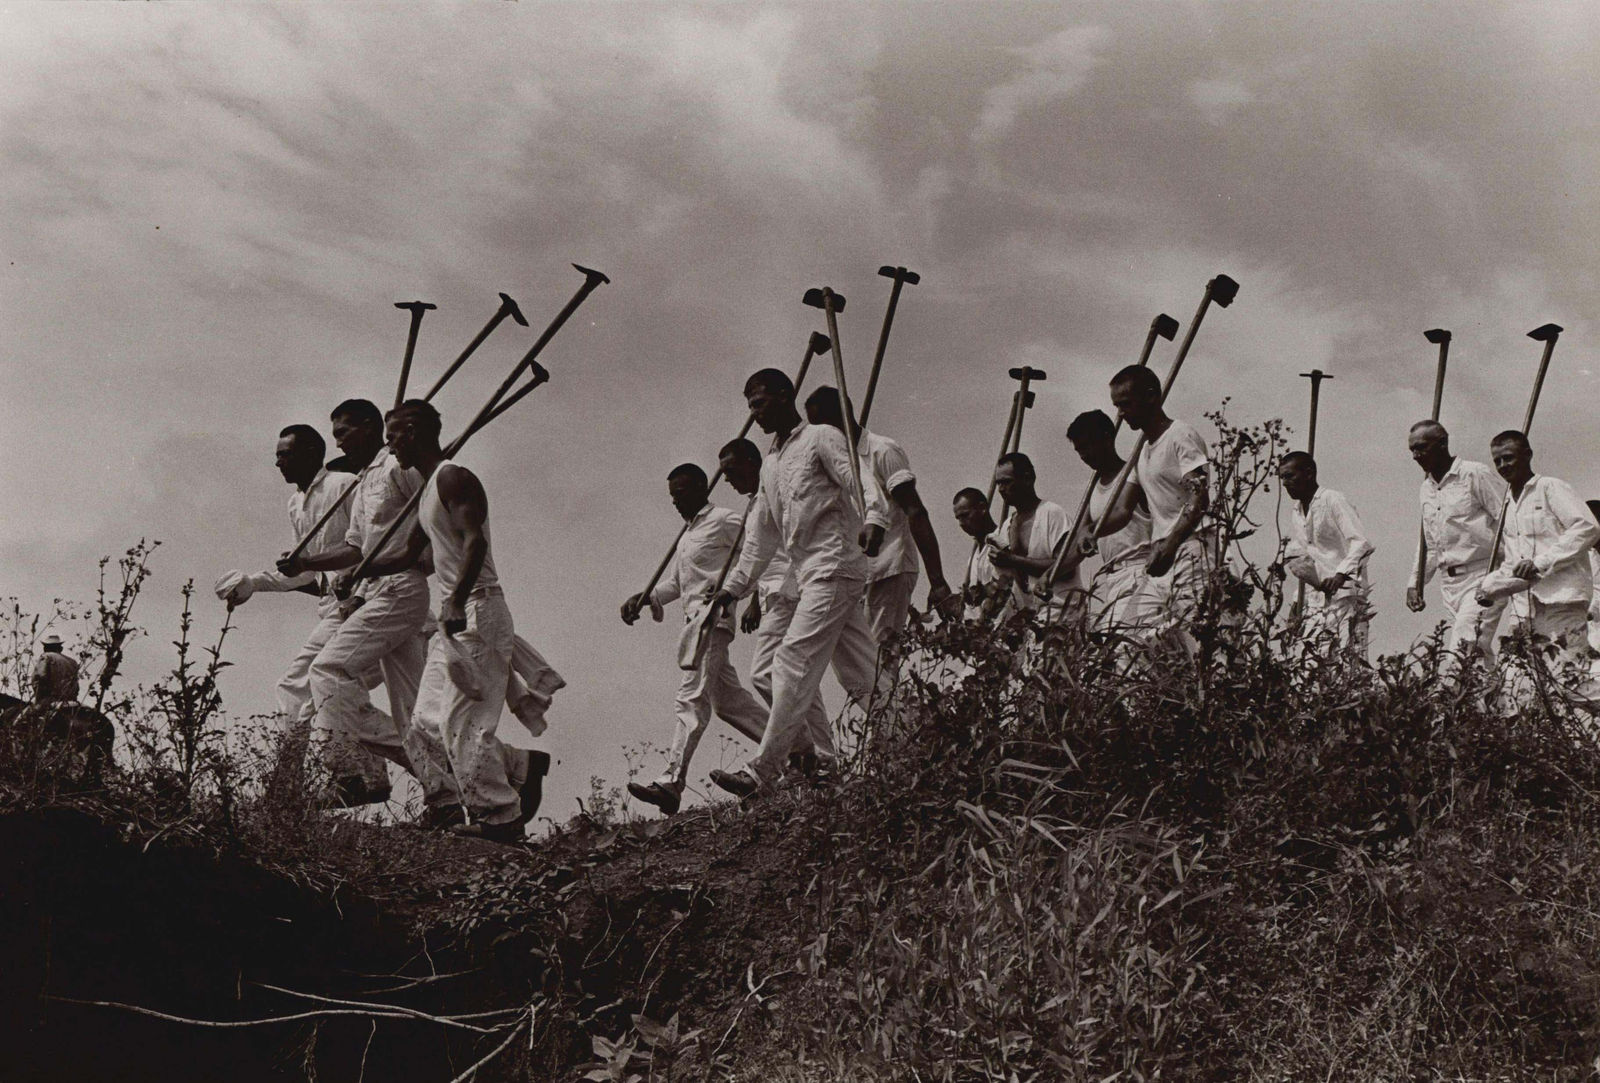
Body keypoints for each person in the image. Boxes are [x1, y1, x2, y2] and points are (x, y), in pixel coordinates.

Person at [705, 367, 891, 797]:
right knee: (865, 675)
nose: (755, 414)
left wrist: (875, 517)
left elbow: (859, 478)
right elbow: (760, 540)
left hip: (836, 565)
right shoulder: (770, 465)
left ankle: (765, 771)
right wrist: (732, 589)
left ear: (786, 395)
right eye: (749, 407)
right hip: (810, 577)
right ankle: (921, 742)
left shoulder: (821, 437)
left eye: (760, 403)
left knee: (788, 661)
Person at [348, 399, 526, 841]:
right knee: (424, 722)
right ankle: (470, 798)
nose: (390, 448)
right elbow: (406, 555)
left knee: (464, 722)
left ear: (412, 433)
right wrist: (359, 570)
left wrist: (457, 601)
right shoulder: (427, 490)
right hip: (454, 618)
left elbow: (474, 543)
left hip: (478, 609)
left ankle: (501, 818)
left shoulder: (453, 478)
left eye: (392, 437)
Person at [215, 423, 390, 805]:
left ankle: (294, 787)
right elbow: (307, 572)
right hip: (335, 608)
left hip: (364, 603)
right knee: (329, 697)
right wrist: (253, 583)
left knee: (305, 688)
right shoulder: (296, 504)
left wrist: (359, 593)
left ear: (311, 454)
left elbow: (371, 546)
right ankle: (366, 778)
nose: (278, 463)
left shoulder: (345, 485)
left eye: (285, 454)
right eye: (277, 455)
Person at [278, 400, 433, 796]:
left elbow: (432, 517)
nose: (339, 443)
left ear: (368, 427)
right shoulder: (364, 481)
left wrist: (419, 563)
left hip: (399, 589)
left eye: (343, 433)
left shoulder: (398, 468)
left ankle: (348, 770)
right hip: (377, 592)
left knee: (327, 671)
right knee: (411, 712)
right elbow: (355, 549)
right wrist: (307, 562)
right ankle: (454, 792)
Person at [620, 463, 768, 815]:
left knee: (690, 697)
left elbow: (759, 554)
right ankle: (797, 752)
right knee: (729, 703)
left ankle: (671, 782)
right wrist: (646, 597)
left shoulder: (725, 520)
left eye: (682, 493)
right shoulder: (687, 535)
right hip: (693, 623)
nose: (676, 502)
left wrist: (756, 599)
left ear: (702, 488)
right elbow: (677, 583)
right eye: (672, 496)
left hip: (713, 618)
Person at [803, 387, 958, 642]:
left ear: (840, 418)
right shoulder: (834, 463)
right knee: (857, 656)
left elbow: (916, 512)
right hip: (857, 574)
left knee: (879, 656)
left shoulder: (882, 451)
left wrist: (938, 581)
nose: (818, 436)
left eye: (822, 427)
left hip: (889, 568)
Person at [720, 438, 832, 763]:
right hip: (772, 592)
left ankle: (805, 751)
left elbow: (792, 544)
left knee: (766, 673)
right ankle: (822, 758)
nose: (727, 479)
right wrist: (753, 598)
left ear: (751, 463)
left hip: (789, 590)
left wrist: (783, 590)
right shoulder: (755, 502)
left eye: (731, 470)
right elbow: (758, 555)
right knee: (796, 678)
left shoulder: (776, 491)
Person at [1473, 431, 1599, 679]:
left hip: (1561, 601)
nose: (1503, 466)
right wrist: (1490, 585)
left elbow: (1587, 528)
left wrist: (1540, 562)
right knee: (1521, 684)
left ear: (1527, 455)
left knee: (1571, 681)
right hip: (1526, 609)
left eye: (1508, 458)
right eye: (1497, 461)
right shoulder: (1508, 505)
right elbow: (1513, 562)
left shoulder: (1550, 487)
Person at [1096, 366, 1212, 637]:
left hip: (1191, 548)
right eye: (1117, 406)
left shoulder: (1180, 435)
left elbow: (1199, 497)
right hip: (1161, 555)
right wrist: (1092, 532)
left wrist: (1172, 543)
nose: (1120, 414)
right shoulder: (1142, 452)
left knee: (1196, 635)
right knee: (1126, 636)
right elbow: (1123, 510)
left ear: (1150, 397)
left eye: (1125, 404)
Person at [1404, 420, 1508, 664]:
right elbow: (1430, 542)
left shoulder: (1474, 474)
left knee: (1464, 648)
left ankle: (1458, 690)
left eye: (1421, 448)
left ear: (1442, 444)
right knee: (1476, 655)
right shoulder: (1426, 489)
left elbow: (1507, 519)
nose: (1416, 456)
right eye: (1412, 450)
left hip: (1484, 575)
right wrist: (1416, 582)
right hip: (1450, 585)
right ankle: (1489, 691)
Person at [1057, 409, 1153, 632]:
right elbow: (1078, 544)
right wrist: (1049, 575)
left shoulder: (1132, 473)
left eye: (1087, 446)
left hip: (1140, 569)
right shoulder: (1092, 490)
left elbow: (1122, 511)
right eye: (1079, 450)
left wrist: (1091, 530)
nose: (1083, 455)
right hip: (1113, 577)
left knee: (1128, 644)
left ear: (1107, 438)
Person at [1275, 451, 1376, 658]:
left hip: (1345, 598)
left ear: (1309, 473)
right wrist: (1297, 603)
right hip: (1315, 601)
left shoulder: (1332, 500)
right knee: (1312, 664)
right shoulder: (1297, 512)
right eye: (1282, 478)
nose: (1285, 483)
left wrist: (1340, 575)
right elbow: (1305, 560)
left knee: (1348, 662)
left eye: (1290, 476)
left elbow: (1361, 542)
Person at [987, 452, 1077, 619]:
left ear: (1028, 478)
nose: (1000, 489)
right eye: (998, 483)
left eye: (1006, 482)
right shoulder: (1006, 526)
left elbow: (1066, 567)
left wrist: (1011, 560)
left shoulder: (1052, 514)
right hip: (1029, 617)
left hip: (1061, 612)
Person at [951, 487, 1003, 620]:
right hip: (978, 628)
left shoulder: (1002, 542)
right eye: (958, 518)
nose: (961, 523)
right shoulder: (974, 557)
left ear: (982, 508)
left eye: (965, 515)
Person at [33, 633, 80, 704]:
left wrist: (39, 701)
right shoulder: (72, 662)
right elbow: (76, 686)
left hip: (51, 700)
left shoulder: (46, 657)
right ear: (60, 648)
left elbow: (39, 678)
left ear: (45, 648)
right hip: (71, 700)